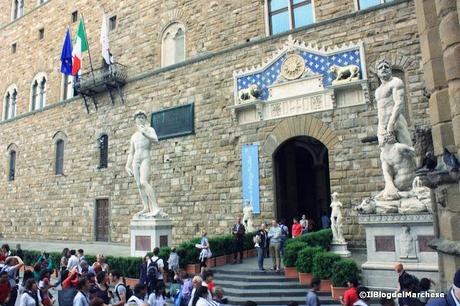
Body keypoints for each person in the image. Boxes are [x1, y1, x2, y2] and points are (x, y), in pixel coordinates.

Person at [126, 110, 166, 217]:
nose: (140, 119)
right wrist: (127, 165)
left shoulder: (149, 129)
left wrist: (145, 133)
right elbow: (131, 152)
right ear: (135, 120)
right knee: (139, 185)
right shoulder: (134, 136)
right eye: (138, 117)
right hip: (136, 160)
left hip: (145, 158)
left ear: (145, 119)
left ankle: (155, 207)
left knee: (144, 181)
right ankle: (146, 207)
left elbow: (156, 140)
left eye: (142, 117)